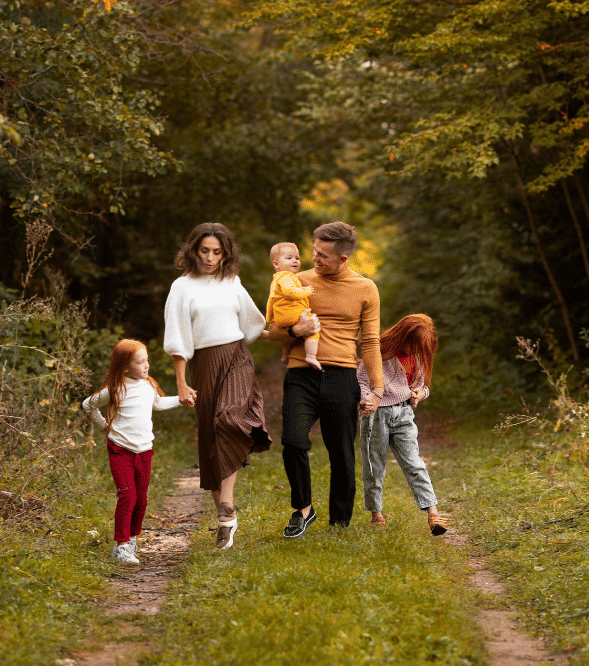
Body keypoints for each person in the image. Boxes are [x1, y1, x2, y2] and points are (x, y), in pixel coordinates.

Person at [268, 221, 383, 537]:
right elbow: (274, 329)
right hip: (300, 373)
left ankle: (340, 523)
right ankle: (303, 509)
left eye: (323, 256)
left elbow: (371, 342)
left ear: (343, 258)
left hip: (342, 375)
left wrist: (377, 389)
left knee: (342, 452)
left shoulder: (365, 289)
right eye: (314, 252)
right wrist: (295, 332)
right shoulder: (296, 282)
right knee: (292, 440)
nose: (313, 260)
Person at [163, 222, 271, 550]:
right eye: (205, 251)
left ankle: (227, 502)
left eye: (217, 252)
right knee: (211, 433)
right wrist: (181, 383)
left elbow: (254, 323)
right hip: (203, 365)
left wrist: (293, 332)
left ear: (226, 254)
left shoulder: (232, 282)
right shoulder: (181, 288)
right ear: (194, 250)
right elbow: (178, 337)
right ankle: (225, 519)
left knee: (229, 420)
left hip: (236, 357)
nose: (211, 258)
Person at [82, 339, 185, 564]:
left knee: (141, 499)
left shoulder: (148, 385)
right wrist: (104, 426)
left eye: (147, 360)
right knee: (127, 496)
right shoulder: (115, 389)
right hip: (120, 449)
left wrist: (181, 400)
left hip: (144, 451)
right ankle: (121, 546)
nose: (146, 365)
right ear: (125, 367)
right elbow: (87, 405)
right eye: (140, 362)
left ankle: (131, 539)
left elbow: (158, 404)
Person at [357, 314, 447, 535]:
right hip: (377, 415)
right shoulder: (380, 352)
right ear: (402, 336)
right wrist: (366, 399)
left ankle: (433, 513)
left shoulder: (418, 355)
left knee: (414, 463)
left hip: (404, 415)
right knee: (373, 465)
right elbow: (362, 378)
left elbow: (421, 384)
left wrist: (420, 393)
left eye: (418, 347)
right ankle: (376, 515)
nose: (413, 350)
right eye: (411, 344)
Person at [266, 242, 322, 370]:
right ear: (276, 264)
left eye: (297, 258)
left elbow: (271, 301)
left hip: (281, 318)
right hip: (292, 314)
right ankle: (311, 356)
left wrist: (270, 318)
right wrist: (306, 291)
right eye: (289, 258)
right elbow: (290, 293)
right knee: (312, 329)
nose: (294, 261)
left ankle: (285, 355)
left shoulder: (276, 279)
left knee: (289, 336)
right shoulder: (287, 277)